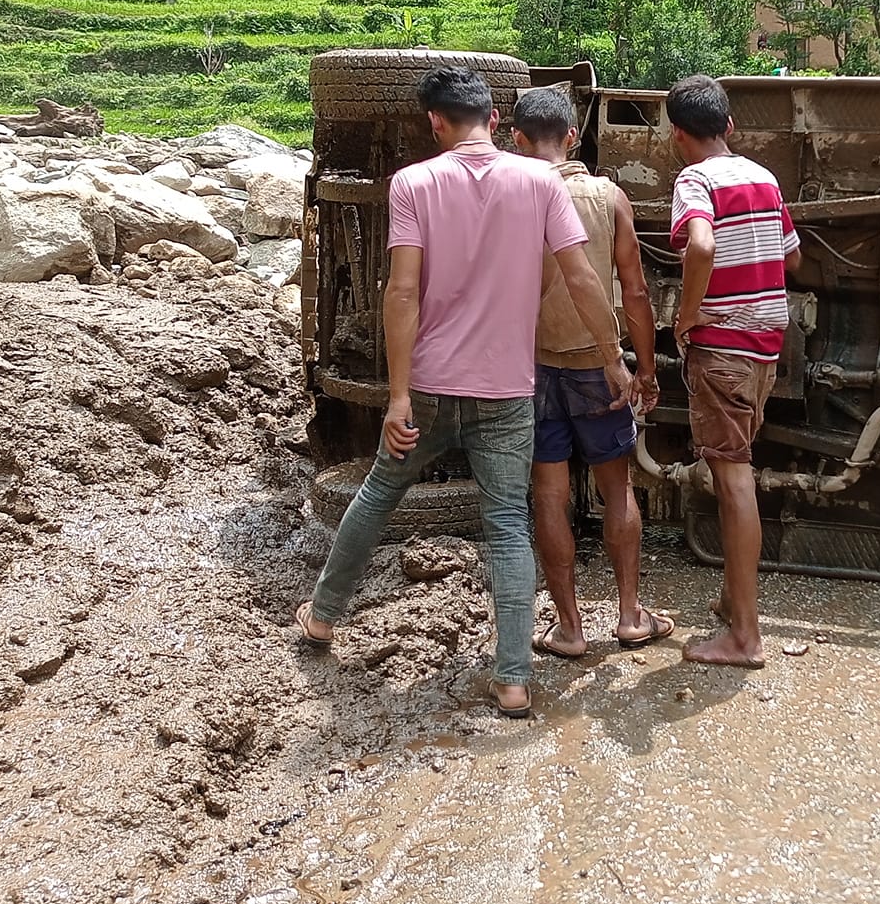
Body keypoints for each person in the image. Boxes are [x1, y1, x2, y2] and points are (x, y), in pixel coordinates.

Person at [294, 67, 634, 720]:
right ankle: (512, 680)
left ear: (435, 124)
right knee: (508, 523)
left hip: (425, 386)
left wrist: (395, 397)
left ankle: (324, 620)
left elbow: (399, 291)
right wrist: (612, 359)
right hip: (506, 392)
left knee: (377, 495)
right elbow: (583, 280)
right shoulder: (539, 182)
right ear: (497, 122)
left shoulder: (414, 183)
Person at [508, 86, 672, 655]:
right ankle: (629, 616)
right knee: (616, 487)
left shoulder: (510, 198)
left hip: (533, 371)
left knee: (548, 495)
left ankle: (570, 628)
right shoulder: (609, 197)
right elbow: (635, 290)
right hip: (600, 370)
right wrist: (644, 367)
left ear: (516, 139)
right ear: (574, 136)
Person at [666, 74, 801, 669]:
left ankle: (745, 637)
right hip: (767, 343)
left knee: (733, 481)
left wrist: (688, 315)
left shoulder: (694, 180)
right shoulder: (763, 177)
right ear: (729, 126)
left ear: (676, 135)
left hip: (723, 343)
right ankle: (731, 600)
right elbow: (792, 253)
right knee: (738, 465)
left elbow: (699, 246)